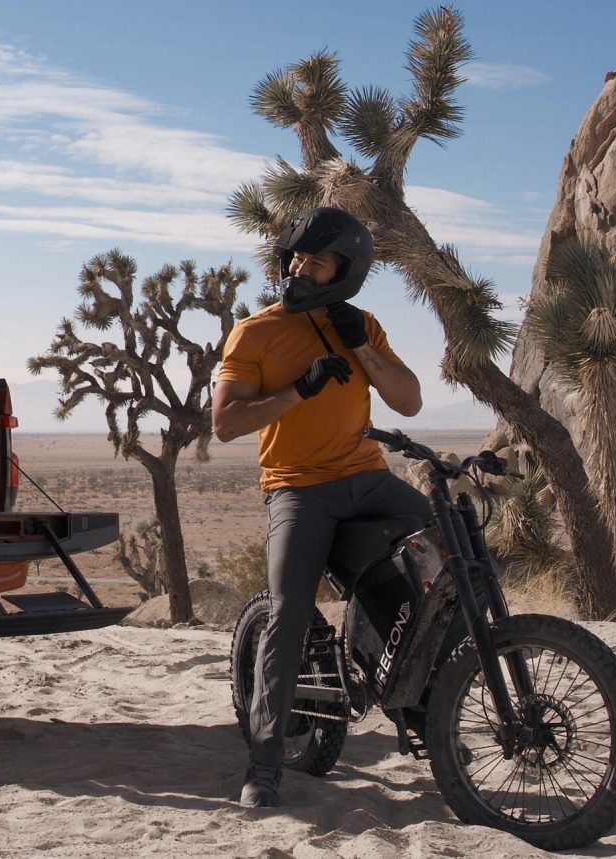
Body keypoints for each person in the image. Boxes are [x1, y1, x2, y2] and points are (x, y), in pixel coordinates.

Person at [210, 207, 429, 809]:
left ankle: (422, 697)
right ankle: (264, 766)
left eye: (316, 260)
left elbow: (408, 402)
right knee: (287, 614)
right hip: (298, 488)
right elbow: (226, 423)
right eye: (296, 258)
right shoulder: (255, 332)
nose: (300, 268)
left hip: (368, 478)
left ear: (344, 272)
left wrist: (364, 350)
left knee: (447, 551)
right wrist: (296, 391)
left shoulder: (361, 325)